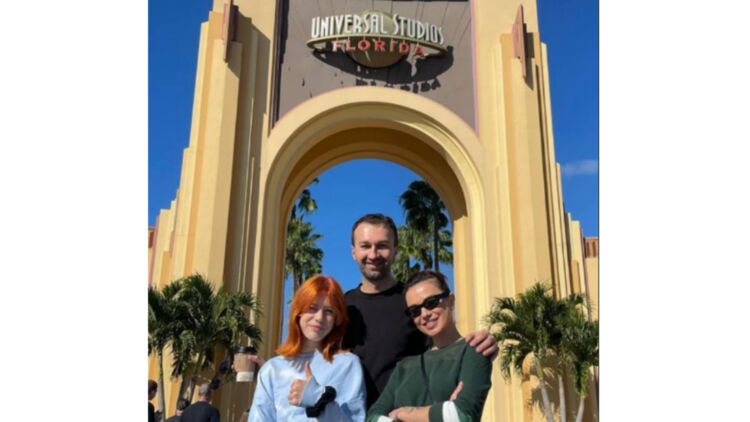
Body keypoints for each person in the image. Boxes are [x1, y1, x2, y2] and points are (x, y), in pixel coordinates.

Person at [343, 214, 497, 407]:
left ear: (395, 250)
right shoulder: (341, 308)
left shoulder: (415, 304)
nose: (373, 255)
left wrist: (479, 347)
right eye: (365, 246)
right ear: (353, 252)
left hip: (408, 414)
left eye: (382, 246)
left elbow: (446, 346)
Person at [367, 270, 492, 422]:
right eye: (415, 311)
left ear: (451, 300)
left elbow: (462, 415)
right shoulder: (404, 367)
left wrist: (404, 414)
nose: (425, 314)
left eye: (431, 303)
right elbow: (372, 417)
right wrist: (444, 411)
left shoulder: (474, 350)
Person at [248, 275, 366, 421]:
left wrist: (319, 399)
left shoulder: (348, 365)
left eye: (329, 311)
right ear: (299, 312)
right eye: (312, 308)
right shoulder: (271, 369)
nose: (319, 317)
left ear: (336, 319)